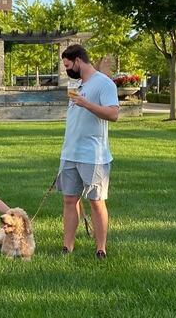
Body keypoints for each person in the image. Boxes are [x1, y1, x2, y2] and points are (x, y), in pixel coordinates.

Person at [58, 44, 119, 259]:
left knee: (95, 200)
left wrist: (86, 103)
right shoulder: (79, 85)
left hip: (93, 155)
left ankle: (100, 248)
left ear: (78, 60)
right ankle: (68, 246)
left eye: (68, 65)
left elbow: (113, 114)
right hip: (70, 154)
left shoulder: (103, 84)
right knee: (69, 200)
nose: (67, 70)